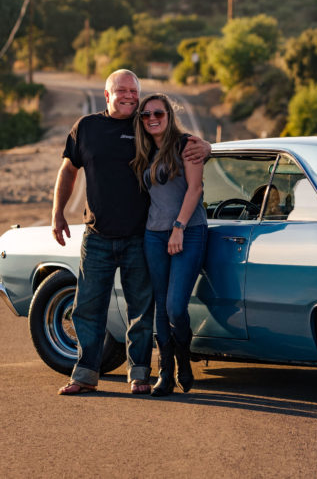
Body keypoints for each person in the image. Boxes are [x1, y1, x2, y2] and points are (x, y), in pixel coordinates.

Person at [52, 70, 210, 396]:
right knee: (87, 307)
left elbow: (178, 140)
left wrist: (207, 146)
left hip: (140, 236)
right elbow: (68, 169)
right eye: (121, 91)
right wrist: (58, 212)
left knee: (141, 310)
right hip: (96, 235)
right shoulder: (86, 127)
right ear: (107, 95)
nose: (128, 97)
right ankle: (84, 375)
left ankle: (139, 374)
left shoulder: (143, 125)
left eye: (133, 92)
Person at [131, 93, 208, 397]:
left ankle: (184, 362)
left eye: (158, 114)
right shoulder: (146, 149)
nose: (151, 119)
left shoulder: (187, 144)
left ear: (169, 115)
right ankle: (165, 371)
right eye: (145, 115)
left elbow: (196, 188)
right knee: (160, 306)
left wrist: (179, 227)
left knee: (176, 306)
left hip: (188, 232)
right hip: (153, 234)